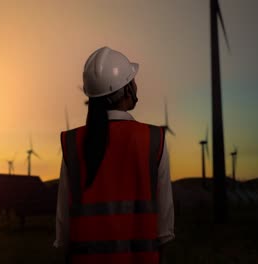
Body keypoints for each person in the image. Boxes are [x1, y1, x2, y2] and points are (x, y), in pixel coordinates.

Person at [55, 46, 175, 264]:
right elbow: (164, 228)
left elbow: (63, 229)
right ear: (127, 89)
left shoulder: (72, 143)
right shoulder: (153, 139)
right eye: (133, 80)